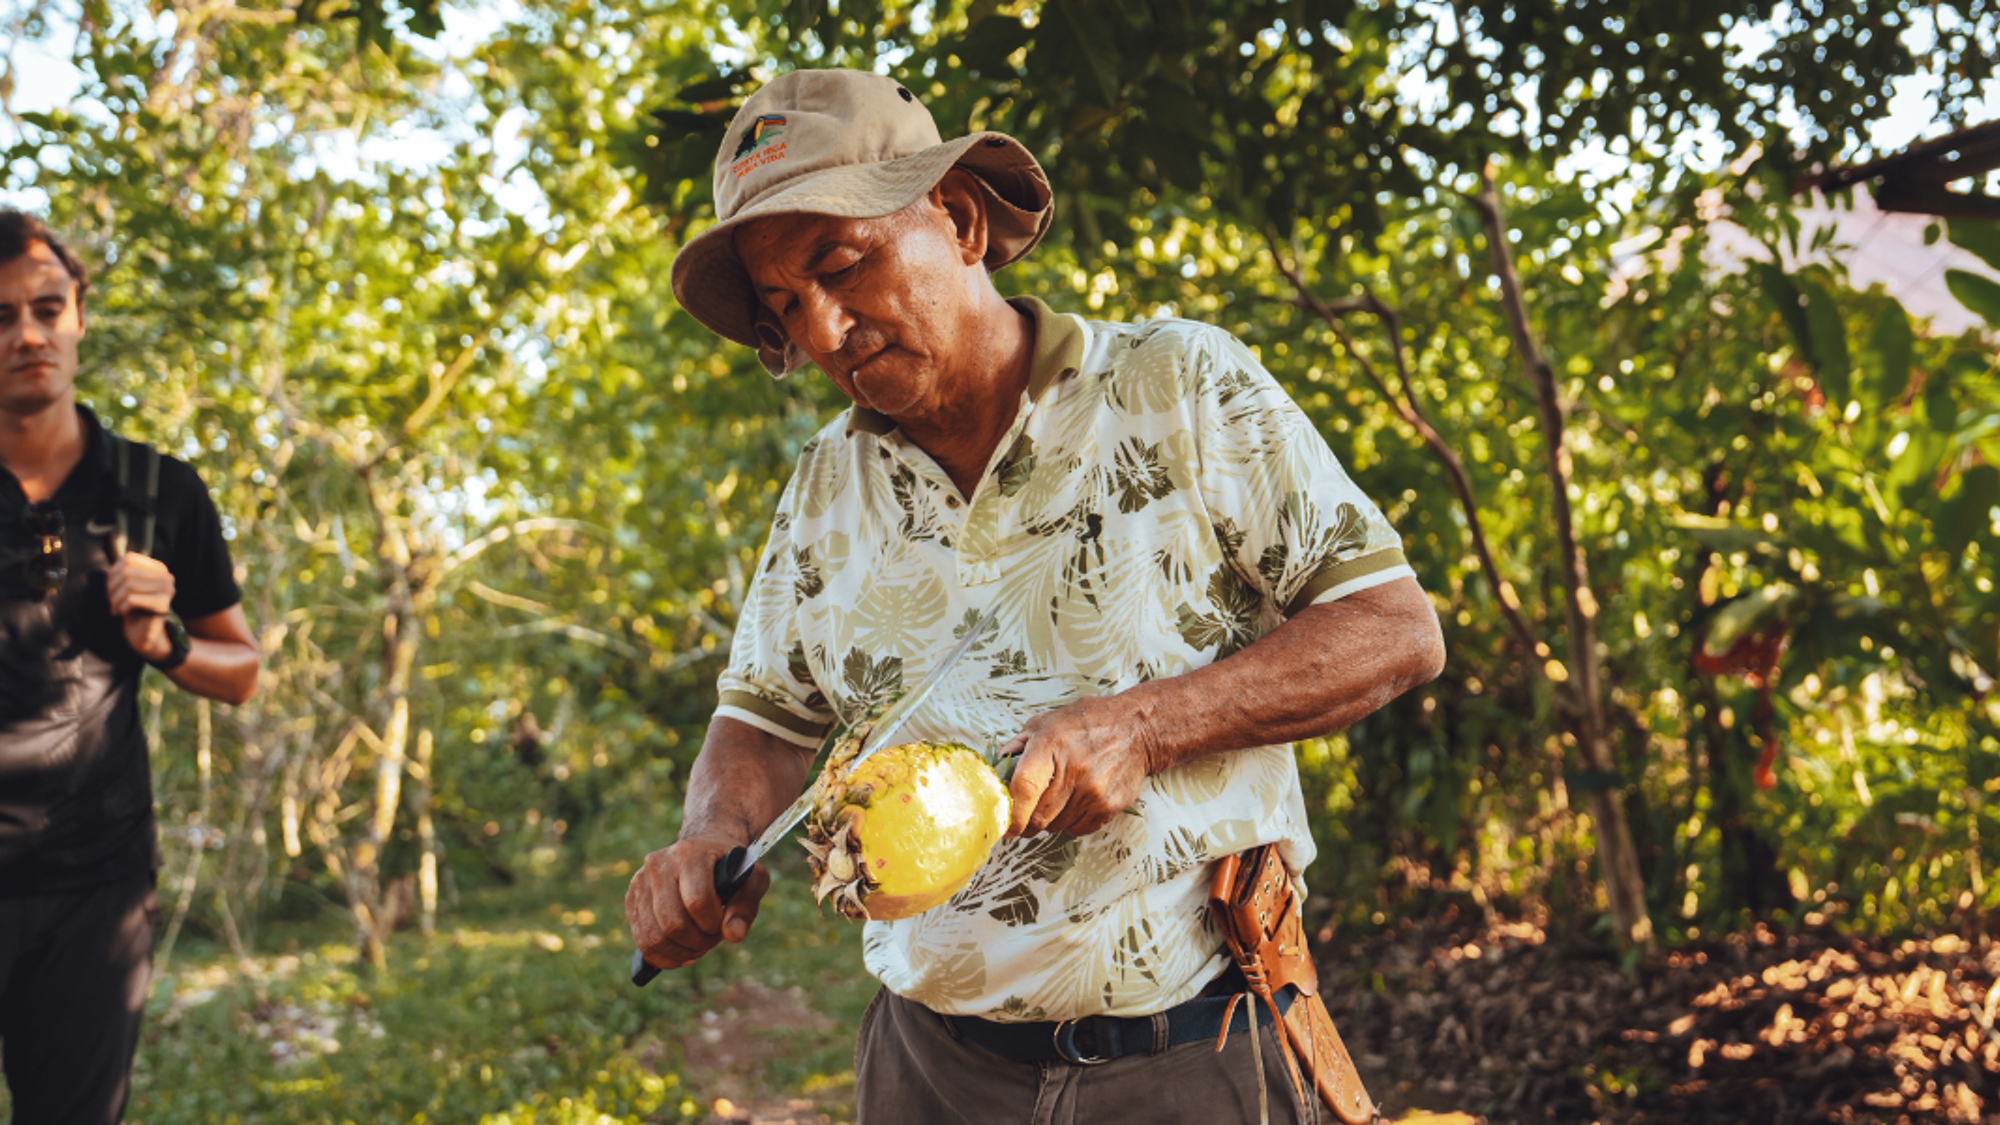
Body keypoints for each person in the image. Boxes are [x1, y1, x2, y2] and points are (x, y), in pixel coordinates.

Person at [625, 70, 1445, 1123]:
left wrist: (1144, 727)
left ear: (957, 218)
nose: (823, 331)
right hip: (928, 1066)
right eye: (786, 306)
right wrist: (708, 837)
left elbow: (1392, 630)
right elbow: (763, 720)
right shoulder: (827, 484)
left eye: (842, 266)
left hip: (1189, 1050)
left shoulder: (1175, 386)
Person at [0, 210, 260, 1124]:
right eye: (2, 317)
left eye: (46, 307)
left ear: (78, 317)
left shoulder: (159, 492)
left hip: (96, 887)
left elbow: (243, 669)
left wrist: (169, 642)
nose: (28, 333)